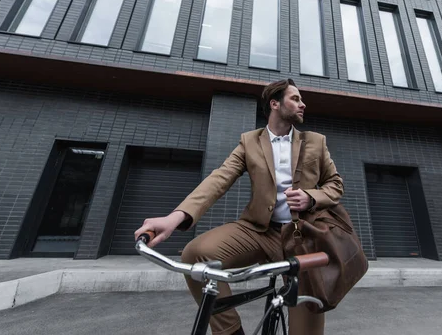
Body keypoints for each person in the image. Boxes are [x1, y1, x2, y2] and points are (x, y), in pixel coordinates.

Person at [134, 78, 343, 335]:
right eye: (296, 98)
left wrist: (311, 197)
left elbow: (335, 185)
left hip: (301, 238)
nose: (303, 104)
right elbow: (219, 179)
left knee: (307, 329)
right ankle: (231, 331)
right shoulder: (249, 142)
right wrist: (175, 217)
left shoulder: (316, 142)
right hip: (258, 232)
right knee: (195, 255)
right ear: (275, 104)